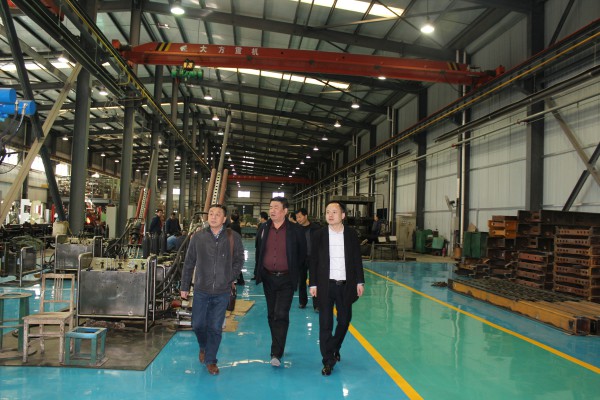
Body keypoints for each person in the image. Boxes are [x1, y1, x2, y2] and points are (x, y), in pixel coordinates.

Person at [180, 204, 244, 376]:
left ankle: (211, 360)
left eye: (217, 214)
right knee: (198, 324)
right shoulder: (198, 237)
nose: (213, 217)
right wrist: (184, 286)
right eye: (211, 214)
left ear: (224, 219)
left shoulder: (233, 237)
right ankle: (203, 346)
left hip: (222, 291)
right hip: (201, 289)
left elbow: (239, 259)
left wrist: (229, 277)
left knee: (215, 327)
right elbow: (189, 262)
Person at [310, 200, 365, 376]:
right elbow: (313, 261)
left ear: (343, 215)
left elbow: (356, 259)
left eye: (334, 212)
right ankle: (328, 361)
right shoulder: (319, 235)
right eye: (328, 212)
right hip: (325, 286)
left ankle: (334, 347)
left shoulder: (351, 234)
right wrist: (313, 283)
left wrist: (360, 281)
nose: (330, 215)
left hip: (345, 286)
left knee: (344, 320)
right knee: (325, 324)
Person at [255, 197, 306, 367]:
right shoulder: (263, 228)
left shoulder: (296, 230)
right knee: (272, 314)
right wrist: (259, 272)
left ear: (285, 211)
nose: (272, 210)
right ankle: (278, 343)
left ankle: (276, 352)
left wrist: (294, 273)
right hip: (268, 277)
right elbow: (259, 250)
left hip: (286, 279)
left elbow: (302, 254)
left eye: (276, 207)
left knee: (281, 313)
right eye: (271, 207)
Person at [295, 208, 320, 311]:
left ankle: (317, 305)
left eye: (300, 217)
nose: (298, 219)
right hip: (301, 259)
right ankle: (302, 302)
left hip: (314, 259)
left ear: (305, 216)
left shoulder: (316, 228)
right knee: (301, 281)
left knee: (315, 282)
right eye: (297, 217)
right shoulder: (296, 229)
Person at [251, 212, 269, 281]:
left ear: (263, 218)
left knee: (262, 261)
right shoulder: (261, 225)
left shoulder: (267, 225)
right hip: (258, 246)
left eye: (259, 217)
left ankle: (260, 276)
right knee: (257, 261)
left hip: (262, 247)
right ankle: (256, 275)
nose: (259, 218)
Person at [229, 213, 245, 285]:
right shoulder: (237, 225)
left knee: (232, 263)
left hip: (232, 246)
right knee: (236, 263)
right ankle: (240, 280)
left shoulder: (230, 226)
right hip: (237, 246)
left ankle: (238, 280)